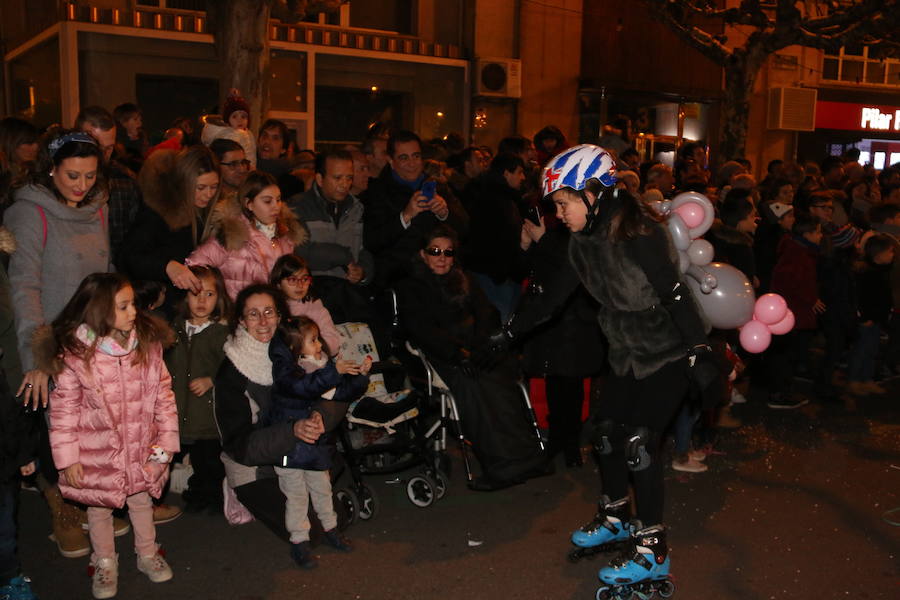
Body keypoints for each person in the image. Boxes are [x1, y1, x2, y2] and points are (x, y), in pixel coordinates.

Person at [504, 145, 715, 593]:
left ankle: (653, 550)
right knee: (603, 433)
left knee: (639, 442)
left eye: (562, 203)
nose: (558, 213)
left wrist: (698, 348)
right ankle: (617, 514)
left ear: (593, 193)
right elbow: (552, 298)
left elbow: (675, 292)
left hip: (667, 351)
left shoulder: (638, 233)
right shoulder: (582, 241)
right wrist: (507, 334)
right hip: (624, 353)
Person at [39, 273, 178, 599]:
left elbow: (164, 395)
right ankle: (104, 561)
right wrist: (68, 458)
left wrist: (167, 445)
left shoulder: (147, 345)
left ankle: (147, 553)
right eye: (124, 306)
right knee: (98, 509)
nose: (134, 311)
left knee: (143, 500)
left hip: (147, 446)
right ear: (99, 311)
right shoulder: (76, 356)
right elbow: (63, 411)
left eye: (132, 304)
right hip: (96, 454)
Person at [397, 225, 548, 491]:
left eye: (448, 252)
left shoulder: (465, 279)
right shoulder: (412, 287)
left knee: (503, 378)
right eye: (435, 251)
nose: (442, 257)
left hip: (474, 349)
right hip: (441, 356)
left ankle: (526, 458)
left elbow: (486, 313)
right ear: (423, 254)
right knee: (475, 387)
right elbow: (422, 330)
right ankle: (501, 465)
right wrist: (457, 354)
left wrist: (481, 347)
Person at [214, 284, 336, 542]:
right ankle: (237, 493)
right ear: (241, 320)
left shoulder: (298, 348)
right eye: (253, 314)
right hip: (255, 465)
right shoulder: (232, 371)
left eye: (269, 312)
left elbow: (336, 393)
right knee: (311, 534)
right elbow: (241, 445)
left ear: (280, 316)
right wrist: (293, 430)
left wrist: (320, 416)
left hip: (298, 454)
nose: (263, 321)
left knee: (333, 521)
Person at [267, 317, 369, 568]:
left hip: (315, 445)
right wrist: (334, 372)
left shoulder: (319, 367)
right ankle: (299, 541)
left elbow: (339, 392)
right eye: (312, 340)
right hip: (289, 446)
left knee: (323, 489)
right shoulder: (293, 373)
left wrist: (361, 376)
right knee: (296, 496)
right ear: (295, 348)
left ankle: (331, 529)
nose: (319, 345)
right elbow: (305, 387)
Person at [119, 145, 221, 316]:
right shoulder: (159, 212)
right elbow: (129, 256)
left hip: (192, 307)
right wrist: (167, 266)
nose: (208, 194)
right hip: (160, 309)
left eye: (214, 187)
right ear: (184, 183)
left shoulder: (211, 213)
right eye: (201, 187)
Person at [362, 130, 469, 289]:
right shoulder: (376, 193)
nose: (412, 163)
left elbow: (465, 229)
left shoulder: (438, 188)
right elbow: (372, 241)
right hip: (399, 280)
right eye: (404, 158)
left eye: (416, 156)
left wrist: (444, 213)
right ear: (391, 161)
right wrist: (405, 217)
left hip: (441, 276)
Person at [163, 266, 230, 514]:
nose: (202, 300)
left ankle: (208, 499)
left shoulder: (221, 333)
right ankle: (159, 499)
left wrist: (211, 380)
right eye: (195, 293)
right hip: (176, 410)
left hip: (207, 416)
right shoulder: (173, 329)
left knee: (209, 463)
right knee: (164, 459)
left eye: (209, 294)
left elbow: (231, 367)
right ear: (184, 296)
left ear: (220, 298)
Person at [186, 171, 306, 300]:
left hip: (271, 313)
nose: (276, 207)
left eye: (278, 200)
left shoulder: (286, 237)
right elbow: (194, 264)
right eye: (267, 201)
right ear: (249, 204)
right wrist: (217, 300)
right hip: (236, 314)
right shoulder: (231, 235)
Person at [290, 150, 375, 321]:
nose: (345, 184)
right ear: (320, 179)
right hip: (310, 291)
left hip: (348, 293)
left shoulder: (357, 209)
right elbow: (300, 253)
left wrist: (363, 271)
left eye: (349, 178)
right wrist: (343, 256)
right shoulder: (297, 207)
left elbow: (366, 249)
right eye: (337, 178)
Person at [460, 153, 528, 321]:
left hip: (498, 273)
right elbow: (499, 241)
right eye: (519, 172)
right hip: (495, 276)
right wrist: (504, 273)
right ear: (506, 173)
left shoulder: (502, 198)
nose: (523, 177)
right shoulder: (497, 200)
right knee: (502, 321)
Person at [767, 215, 824, 409]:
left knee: (788, 352)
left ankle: (783, 389)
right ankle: (780, 393)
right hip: (790, 312)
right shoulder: (797, 254)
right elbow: (790, 281)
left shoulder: (801, 251)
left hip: (792, 311)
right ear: (807, 234)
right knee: (785, 353)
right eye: (818, 232)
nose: (821, 235)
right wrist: (810, 298)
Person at [75, 106, 142, 267]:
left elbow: (132, 244)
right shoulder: (59, 181)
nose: (103, 155)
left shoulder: (125, 182)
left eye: (109, 148)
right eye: (96, 147)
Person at [0, 343, 39, 600]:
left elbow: (12, 418)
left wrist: (25, 455)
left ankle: (9, 579)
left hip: (3, 471)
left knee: (4, 532)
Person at [846, 234, 894, 396]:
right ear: (878, 255)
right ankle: (854, 380)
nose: (892, 254)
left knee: (872, 349)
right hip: (867, 319)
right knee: (861, 350)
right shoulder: (867, 274)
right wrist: (863, 318)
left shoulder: (881, 271)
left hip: (876, 318)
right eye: (890, 251)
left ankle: (867, 379)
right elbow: (860, 298)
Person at [270, 255, 342, 356]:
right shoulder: (271, 307)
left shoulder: (315, 306)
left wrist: (310, 349)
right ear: (278, 283)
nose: (300, 285)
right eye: (292, 279)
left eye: (304, 279)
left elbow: (333, 343)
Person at [200, 89, 257, 169]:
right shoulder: (227, 135)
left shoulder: (249, 134)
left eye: (243, 117)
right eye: (234, 116)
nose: (239, 120)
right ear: (227, 120)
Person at [209, 138, 250, 209]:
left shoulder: (250, 195)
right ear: (216, 166)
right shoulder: (208, 200)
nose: (242, 169)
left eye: (243, 162)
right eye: (233, 164)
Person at [112, 102, 149, 172]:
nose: (140, 123)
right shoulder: (116, 144)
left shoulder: (142, 138)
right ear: (123, 122)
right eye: (135, 119)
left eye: (140, 120)